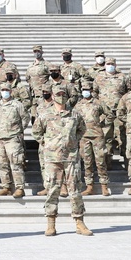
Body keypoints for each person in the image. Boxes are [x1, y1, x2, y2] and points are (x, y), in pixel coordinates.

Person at [38, 88, 92, 237]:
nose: (61, 97)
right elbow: (37, 132)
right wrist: (48, 144)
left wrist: (73, 142)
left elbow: (82, 130)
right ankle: (51, 224)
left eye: (63, 95)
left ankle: (79, 222)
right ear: (53, 96)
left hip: (71, 157)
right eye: (58, 94)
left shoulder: (75, 115)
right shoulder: (45, 114)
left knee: (75, 190)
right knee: (52, 190)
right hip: (52, 158)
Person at [73, 77, 110, 196]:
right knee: (87, 162)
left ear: (92, 90)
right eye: (83, 89)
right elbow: (74, 120)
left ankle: (104, 185)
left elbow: (110, 114)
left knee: (100, 161)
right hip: (84, 137)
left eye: (87, 89)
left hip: (97, 136)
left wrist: (101, 124)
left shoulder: (98, 103)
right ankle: (89, 186)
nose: (85, 91)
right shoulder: (78, 105)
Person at [0, 82, 29, 198]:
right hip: (0, 138)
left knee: (16, 163)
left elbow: (25, 117)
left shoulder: (17, 104)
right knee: (2, 163)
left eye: (6, 90)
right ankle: (6, 187)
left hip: (13, 138)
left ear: (11, 91)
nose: (4, 92)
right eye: (2, 90)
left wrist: (18, 130)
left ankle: (19, 188)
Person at [95, 57, 129, 161]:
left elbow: (129, 92)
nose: (110, 66)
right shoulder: (99, 77)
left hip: (120, 112)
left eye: (112, 64)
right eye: (108, 64)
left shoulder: (122, 77)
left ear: (115, 65)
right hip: (106, 113)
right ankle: (107, 160)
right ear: (105, 65)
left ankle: (127, 160)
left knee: (123, 136)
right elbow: (94, 92)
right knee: (106, 137)